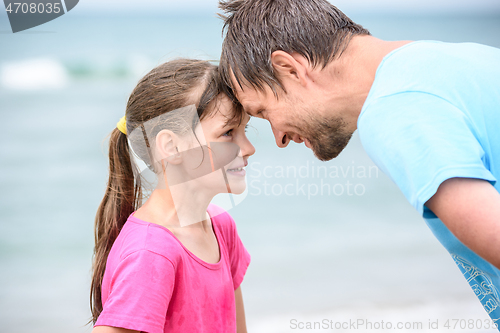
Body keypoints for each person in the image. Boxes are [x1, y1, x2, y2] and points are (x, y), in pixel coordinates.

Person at [217, 0, 500, 323]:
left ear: (290, 70)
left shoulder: (393, 110)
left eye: (264, 111)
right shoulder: (455, 58)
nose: (279, 137)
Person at [90, 59, 255, 333]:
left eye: (244, 130)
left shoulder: (221, 227)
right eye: (228, 133)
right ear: (172, 147)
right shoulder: (151, 253)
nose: (248, 148)